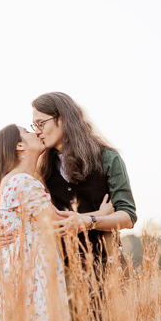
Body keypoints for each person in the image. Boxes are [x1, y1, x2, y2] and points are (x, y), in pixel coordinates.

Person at [0, 124, 113, 321]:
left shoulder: (16, 179)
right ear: (20, 145)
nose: (37, 133)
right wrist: (100, 215)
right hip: (29, 272)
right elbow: (59, 222)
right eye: (29, 132)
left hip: (20, 269)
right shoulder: (23, 181)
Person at [31, 92, 136, 267]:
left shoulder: (108, 158)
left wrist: (89, 222)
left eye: (41, 123)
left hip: (108, 267)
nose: (37, 132)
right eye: (34, 126)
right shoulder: (40, 169)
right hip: (62, 272)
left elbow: (128, 216)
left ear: (63, 119)